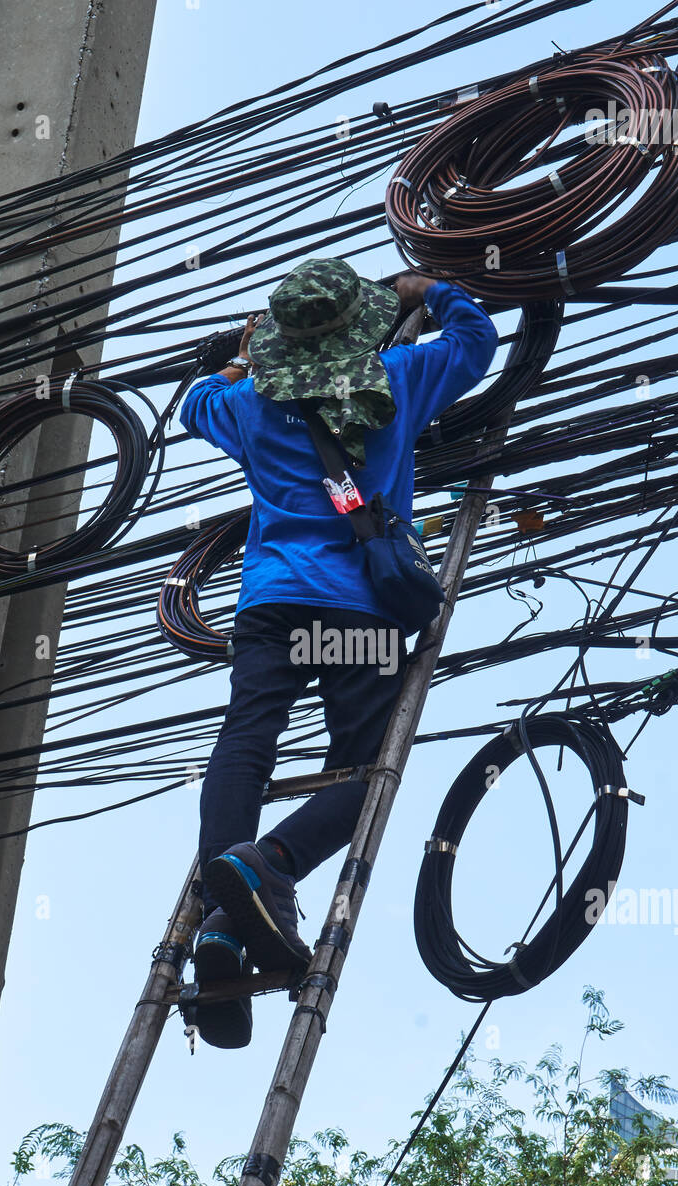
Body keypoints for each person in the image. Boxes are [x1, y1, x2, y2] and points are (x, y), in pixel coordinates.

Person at [180, 257, 497, 1047]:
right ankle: (270, 864)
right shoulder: (399, 375)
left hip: (272, 604)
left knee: (246, 741)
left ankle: (225, 917)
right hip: (359, 611)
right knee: (366, 774)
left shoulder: (248, 405)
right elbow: (476, 341)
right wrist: (433, 290)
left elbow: (194, 403)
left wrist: (241, 355)